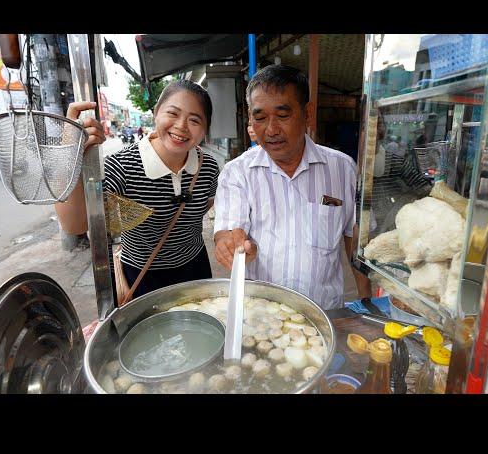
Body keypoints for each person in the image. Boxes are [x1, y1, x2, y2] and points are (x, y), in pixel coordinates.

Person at [213, 64, 369, 310]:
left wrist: (367, 306)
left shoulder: (342, 169)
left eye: (283, 115)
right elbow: (229, 233)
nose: (271, 130)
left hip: (325, 313)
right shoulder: (237, 173)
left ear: (307, 113)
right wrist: (234, 248)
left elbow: (355, 242)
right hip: (263, 316)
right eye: (260, 117)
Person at [55, 79, 220, 298]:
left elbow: (205, 206)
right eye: (172, 113)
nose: (181, 125)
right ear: (155, 113)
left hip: (195, 269)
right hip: (142, 276)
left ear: (205, 129)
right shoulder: (122, 166)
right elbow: (74, 225)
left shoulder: (208, 166)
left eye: (194, 120)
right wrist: (70, 155)